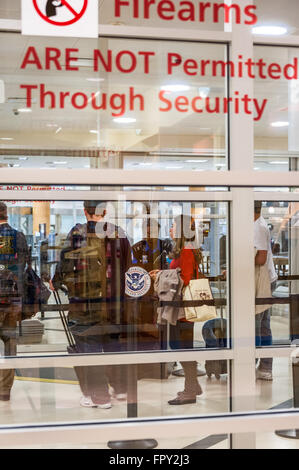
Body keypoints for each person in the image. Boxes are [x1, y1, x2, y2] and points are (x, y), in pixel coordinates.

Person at [52, 201, 132, 409]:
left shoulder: (77, 234)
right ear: (105, 212)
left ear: (84, 211)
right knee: (114, 344)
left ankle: (100, 396)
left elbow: (64, 266)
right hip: (114, 304)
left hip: (85, 305)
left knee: (90, 348)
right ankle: (121, 389)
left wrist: (56, 281)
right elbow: (127, 268)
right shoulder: (119, 234)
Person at [150, 214, 204, 405]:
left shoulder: (187, 251)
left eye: (173, 226)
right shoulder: (184, 249)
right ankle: (193, 385)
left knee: (183, 347)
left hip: (182, 309)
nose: (171, 229)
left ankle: (190, 390)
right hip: (180, 308)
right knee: (181, 347)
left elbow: (186, 279)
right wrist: (164, 273)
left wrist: (162, 274)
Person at [0, 202, 29, 402]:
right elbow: (25, 265)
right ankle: (4, 390)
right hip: (12, 298)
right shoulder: (19, 236)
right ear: (7, 215)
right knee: (10, 343)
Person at [254, 201, 278, 381]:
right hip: (263, 280)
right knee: (262, 326)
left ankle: (261, 366)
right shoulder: (257, 224)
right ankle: (264, 367)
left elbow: (261, 258)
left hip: (263, 282)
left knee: (257, 326)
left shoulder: (258, 227)